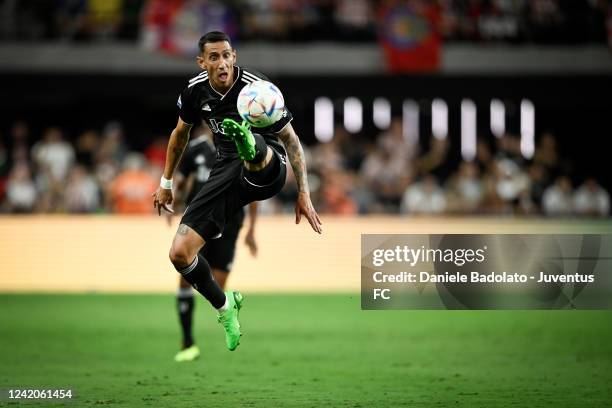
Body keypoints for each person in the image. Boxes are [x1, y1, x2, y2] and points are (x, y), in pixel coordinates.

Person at [153, 31, 322, 352]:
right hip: (224, 171)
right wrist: (165, 183)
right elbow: (179, 136)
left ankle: (248, 143)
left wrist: (304, 192)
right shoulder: (194, 92)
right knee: (179, 252)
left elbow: (292, 140)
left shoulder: (258, 88)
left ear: (235, 57)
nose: (222, 62)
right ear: (202, 62)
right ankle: (224, 306)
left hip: (270, 163)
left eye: (227, 55)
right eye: (214, 57)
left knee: (254, 149)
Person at [172, 130, 258, 362]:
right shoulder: (195, 148)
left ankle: (226, 304)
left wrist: (251, 229)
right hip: (199, 220)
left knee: (216, 285)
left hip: (230, 221)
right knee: (185, 276)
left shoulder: (242, 145)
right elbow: (181, 179)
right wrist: (176, 201)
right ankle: (187, 342)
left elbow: (253, 189)